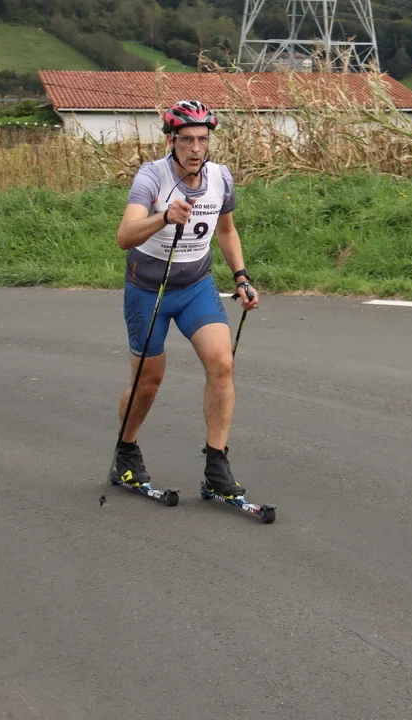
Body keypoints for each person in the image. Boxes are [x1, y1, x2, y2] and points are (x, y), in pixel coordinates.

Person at [111, 99, 259, 498]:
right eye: (187, 140)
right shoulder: (151, 177)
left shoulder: (220, 177)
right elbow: (124, 236)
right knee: (148, 383)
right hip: (148, 291)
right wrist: (163, 217)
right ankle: (126, 451)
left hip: (196, 287)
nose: (196, 148)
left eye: (202, 140)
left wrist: (241, 276)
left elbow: (226, 231)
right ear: (171, 141)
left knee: (222, 364)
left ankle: (216, 464)